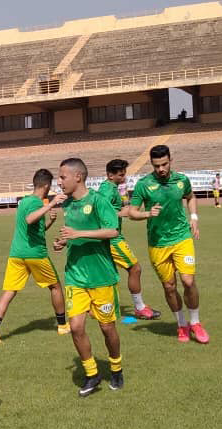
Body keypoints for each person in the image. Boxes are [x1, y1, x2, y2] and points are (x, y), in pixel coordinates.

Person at [52, 158, 124, 397]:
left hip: (101, 276)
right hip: (75, 275)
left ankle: (116, 367)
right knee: (76, 327)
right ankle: (92, 373)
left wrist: (77, 233)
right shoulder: (67, 205)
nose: (59, 181)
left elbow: (113, 230)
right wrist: (63, 241)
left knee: (107, 328)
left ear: (78, 177)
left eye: (62, 177)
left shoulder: (97, 200)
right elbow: (73, 236)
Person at [128, 145, 209, 344]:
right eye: (156, 166)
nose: (161, 169)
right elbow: (131, 211)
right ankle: (182, 324)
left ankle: (196, 322)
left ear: (170, 160)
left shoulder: (182, 180)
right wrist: (147, 214)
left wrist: (194, 217)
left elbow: (190, 197)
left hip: (182, 238)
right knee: (169, 286)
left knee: (188, 281)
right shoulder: (143, 184)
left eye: (164, 164)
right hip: (158, 243)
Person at [0, 168, 67, 344]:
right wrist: (51, 204)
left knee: (9, 291)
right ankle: (62, 326)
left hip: (16, 254)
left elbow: (34, 230)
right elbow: (30, 220)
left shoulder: (24, 201)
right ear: (46, 185)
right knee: (55, 287)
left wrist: (50, 221)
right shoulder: (37, 202)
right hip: (35, 254)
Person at [96, 160, 160, 320]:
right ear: (110, 175)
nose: (124, 176)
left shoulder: (109, 188)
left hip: (110, 236)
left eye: (124, 173)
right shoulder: (107, 190)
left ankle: (97, 306)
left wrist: (125, 206)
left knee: (108, 273)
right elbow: (102, 211)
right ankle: (139, 308)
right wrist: (125, 212)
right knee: (135, 269)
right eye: (121, 174)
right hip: (113, 239)